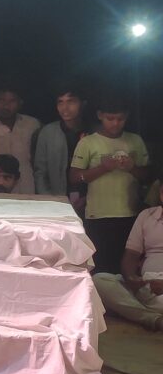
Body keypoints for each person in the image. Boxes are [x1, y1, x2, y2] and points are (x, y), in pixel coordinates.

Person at [69, 100, 149, 274]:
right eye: (110, 118)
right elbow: (74, 177)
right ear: (100, 115)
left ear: (127, 116)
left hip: (130, 214)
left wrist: (132, 168)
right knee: (100, 269)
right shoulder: (88, 142)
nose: (115, 123)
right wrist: (103, 168)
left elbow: (148, 176)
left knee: (126, 269)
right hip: (98, 215)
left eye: (120, 119)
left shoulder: (135, 140)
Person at [91, 186, 163, 332]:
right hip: (147, 285)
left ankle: (137, 312)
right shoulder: (147, 215)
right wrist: (131, 278)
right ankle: (154, 319)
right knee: (99, 281)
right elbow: (131, 254)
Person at [33, 87, 88, 207]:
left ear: (83, 104)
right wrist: (49, 200)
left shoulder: (94, 131)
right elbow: (40, 172)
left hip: (91, 202)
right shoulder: (48, 132)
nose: (65, 107)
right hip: (56, 200)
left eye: (71, 101)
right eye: (60, 102)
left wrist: (89, 198)